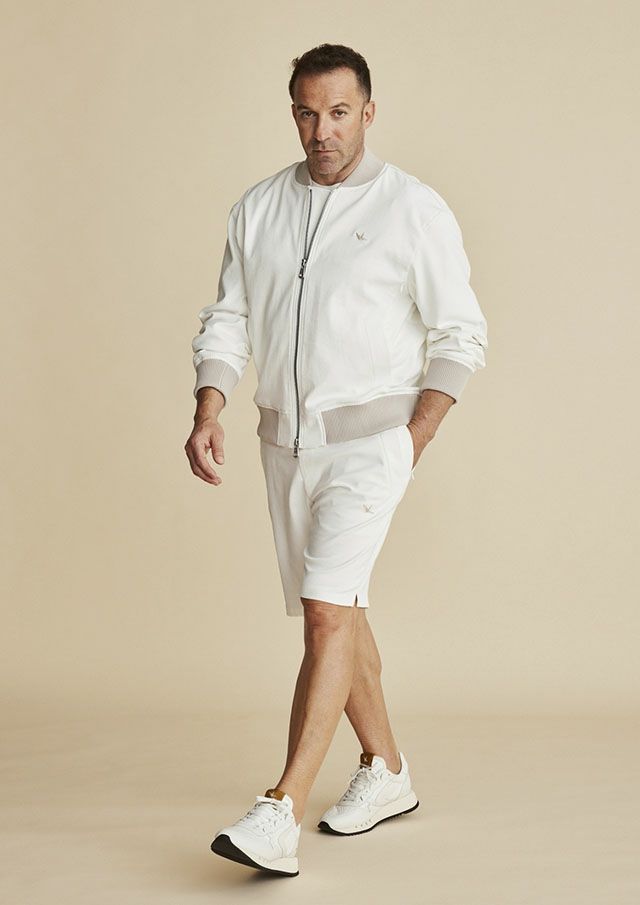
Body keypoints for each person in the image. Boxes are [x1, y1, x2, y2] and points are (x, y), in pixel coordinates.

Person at [184, 43, 488, 878]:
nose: (324, 130)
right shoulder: (258, 208)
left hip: (371, 445)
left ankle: (278, 809)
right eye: (308, 113)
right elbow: (228, 318)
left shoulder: (412, 208)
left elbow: (461, 333)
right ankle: (386, 770)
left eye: (340, 112)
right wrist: (209, 405)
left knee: (325, 615)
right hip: (283, 446)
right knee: (340, 611)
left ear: (368, 112)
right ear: (293, 113)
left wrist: (412, 437)